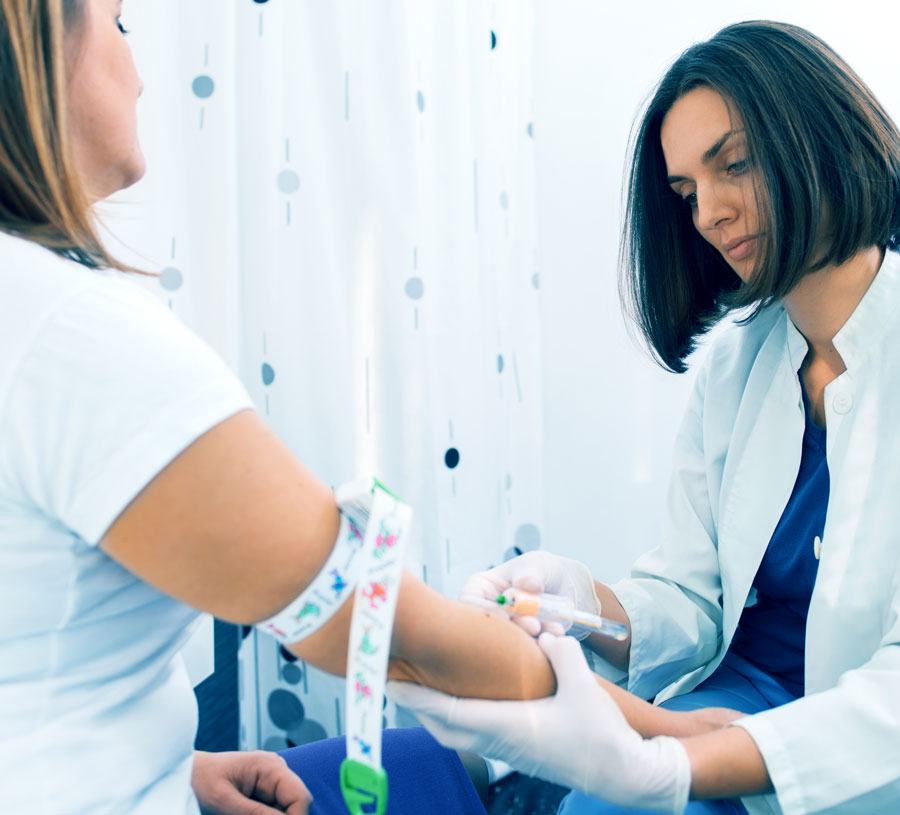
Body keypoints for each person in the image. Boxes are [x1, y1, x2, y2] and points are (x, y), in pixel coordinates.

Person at [0, 2, 738, 813]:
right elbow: (401, 638)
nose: (141, 74)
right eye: (119, 24)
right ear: (35, 45)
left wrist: (180, 767)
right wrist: (673, 737)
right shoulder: (75, 338)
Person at [389, 19, 900, 815]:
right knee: (425, 763)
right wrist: (582, 604)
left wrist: (676, 759)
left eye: (735, 164)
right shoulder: (738, 367)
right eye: (687, 193)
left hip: (833, 755)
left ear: (822, 133)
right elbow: (692, 599)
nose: (710, 215)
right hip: (716, 709)